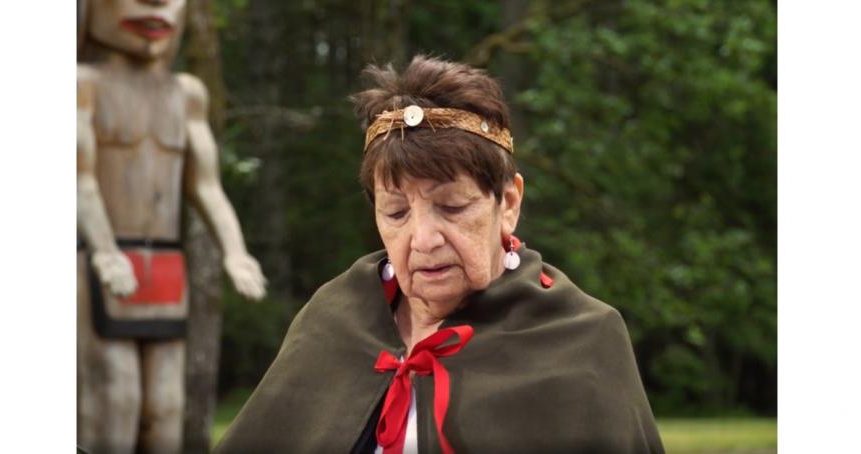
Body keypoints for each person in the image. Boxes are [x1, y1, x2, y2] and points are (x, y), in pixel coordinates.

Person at [215, 55, 664, 454]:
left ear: (508, 204)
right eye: (396, 212)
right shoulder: (334, 318)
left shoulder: (581, 338)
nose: (423, 239)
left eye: (452, 207)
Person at [77, 0, 266, 452]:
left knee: (164, 409)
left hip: (164, 266)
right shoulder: (80, 85)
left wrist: (235, 252)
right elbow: (77, 177)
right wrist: (104, 251)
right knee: (115, 402)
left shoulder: (187, 93)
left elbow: (207, 187)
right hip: (102, 262)